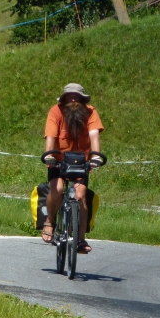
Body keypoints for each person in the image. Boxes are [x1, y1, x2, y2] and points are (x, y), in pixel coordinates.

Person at [42, 83, 104, 254]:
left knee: (80, 195)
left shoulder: (91, 112)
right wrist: (49, 154)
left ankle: (81, 239)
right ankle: (49, 221)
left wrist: (96, 156)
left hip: (81, 163)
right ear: (64, 99)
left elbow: (94, 135)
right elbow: (51, 135)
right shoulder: (56, 111)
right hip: (58, 160)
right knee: (58, 188)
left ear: (83, 99)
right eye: (69, 96)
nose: (73, 99)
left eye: (76, 96)